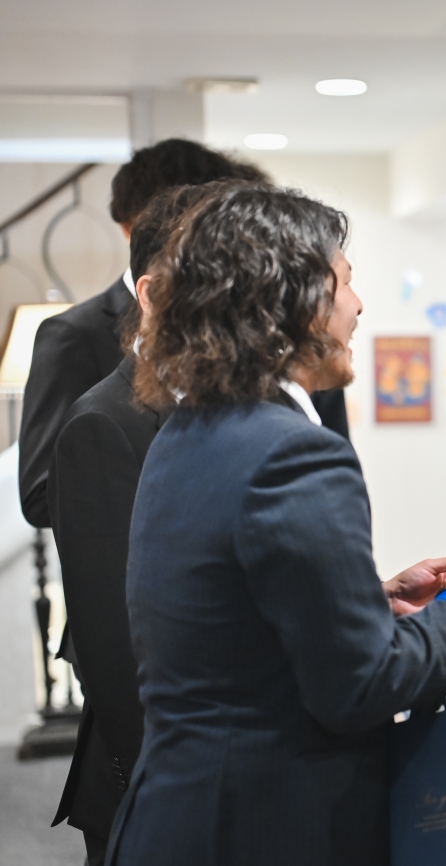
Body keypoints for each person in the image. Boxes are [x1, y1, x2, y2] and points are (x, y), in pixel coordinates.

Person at [104, 183, 446, 866]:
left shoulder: (186, 431)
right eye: (345, 282)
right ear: (293, 303)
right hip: (263, 827)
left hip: (184, 813)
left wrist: (373, 602)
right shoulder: (294, 452)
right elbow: (359, 686)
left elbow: (236, 623)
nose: (359, 305)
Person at [19, 138, 346, 529]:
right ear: (133, 226)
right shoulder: (75, 335)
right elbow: (42, 492)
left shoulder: (288, 328)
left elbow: (333, 470)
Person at [46, 183, 208, 864]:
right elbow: (117, 649)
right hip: (157, 794)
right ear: (152, 294)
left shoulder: (218, 407)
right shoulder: (102, 424)